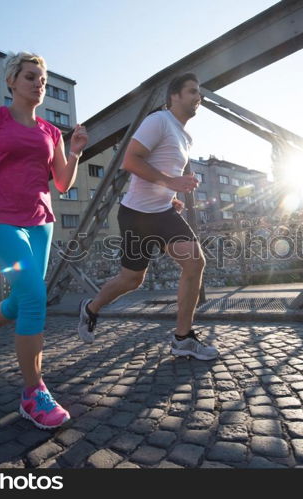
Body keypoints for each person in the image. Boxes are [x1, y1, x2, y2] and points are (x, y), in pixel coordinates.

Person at [0, 51, 88, 430]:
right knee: (33, 296)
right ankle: (33, 393)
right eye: (30, 77)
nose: (38, 84)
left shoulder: (51, 131)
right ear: (11, 82)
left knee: (21, 297)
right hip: (0, 220)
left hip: (41, 222)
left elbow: (61, 183)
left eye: (42, 80)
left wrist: (74, 152)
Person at [77, 73, 218, 360]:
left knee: (195, 262)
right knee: (131, 280)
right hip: (136, 215)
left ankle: (183, 339)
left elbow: (160, 172)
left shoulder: (185, 136)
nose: (198, 97)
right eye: (192, 91)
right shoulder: (158, 121)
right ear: (174, 96)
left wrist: (171, 195)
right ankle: (91, 308)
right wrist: (172, 183)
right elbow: (131, 161)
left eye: (199, 92)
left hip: (162, 212)